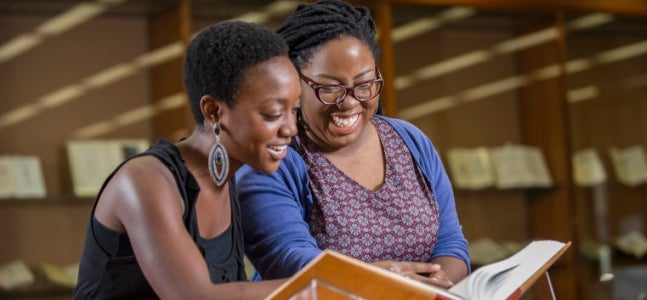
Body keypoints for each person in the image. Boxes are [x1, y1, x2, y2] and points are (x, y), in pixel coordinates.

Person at [235, 0, 470, 289]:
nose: (349, 102)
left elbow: (450, 242)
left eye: (364, 85)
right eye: (330, 88)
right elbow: (289, 260)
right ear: (294, 85)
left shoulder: (411, 141)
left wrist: (435, 283)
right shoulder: (274, 158)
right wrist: (376, 283)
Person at [73, 20, 301, 299]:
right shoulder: (144, 180)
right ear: (214, 111)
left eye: (294, 111)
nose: (291, 129)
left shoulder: (229, 181)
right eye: (273, 114)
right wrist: (322, 286)